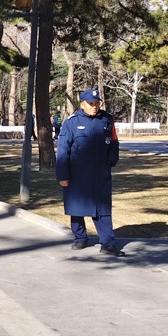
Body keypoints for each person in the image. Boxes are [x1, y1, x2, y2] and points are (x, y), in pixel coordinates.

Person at [56, 87, 123, 256]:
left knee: (103, 208)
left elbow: (114, 142)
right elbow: (63, 150)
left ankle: (108, 244)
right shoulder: (71, 122)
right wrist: (63, 175)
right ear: (82, 104)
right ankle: (80, 238)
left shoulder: (106, 120)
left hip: (100, 173)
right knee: (76, 207)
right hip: (77, 173)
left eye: (97, 103)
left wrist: (111, 160)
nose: (94, 106)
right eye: (91, 103)